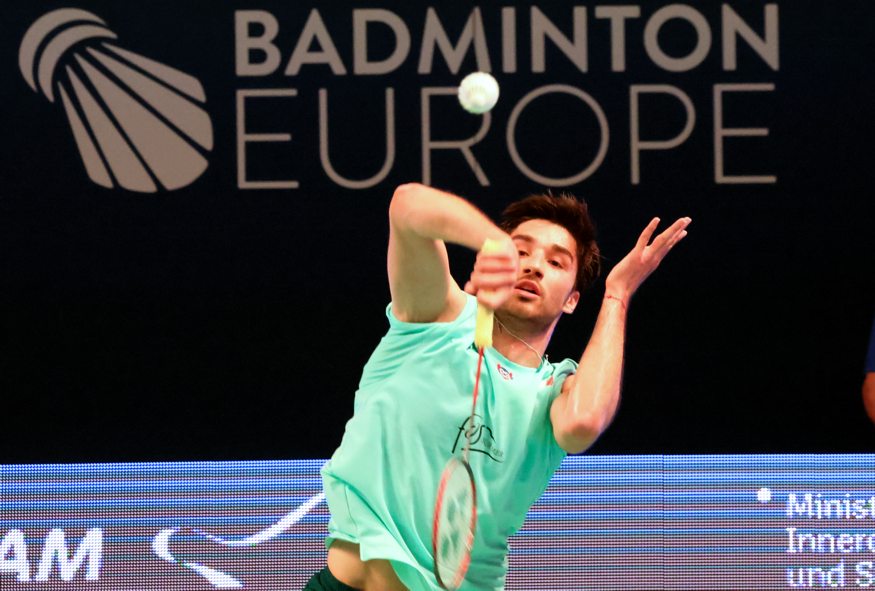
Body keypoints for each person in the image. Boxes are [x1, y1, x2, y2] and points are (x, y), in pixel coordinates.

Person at [305, 183, 691, 591]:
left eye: (556, 263)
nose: (534, 266)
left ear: (572, 300)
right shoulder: (437, 319)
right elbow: (406, 207)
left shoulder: (552, 390)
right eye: (521, 250)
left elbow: (583, 424)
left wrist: (617, 294)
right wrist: (491, 240)